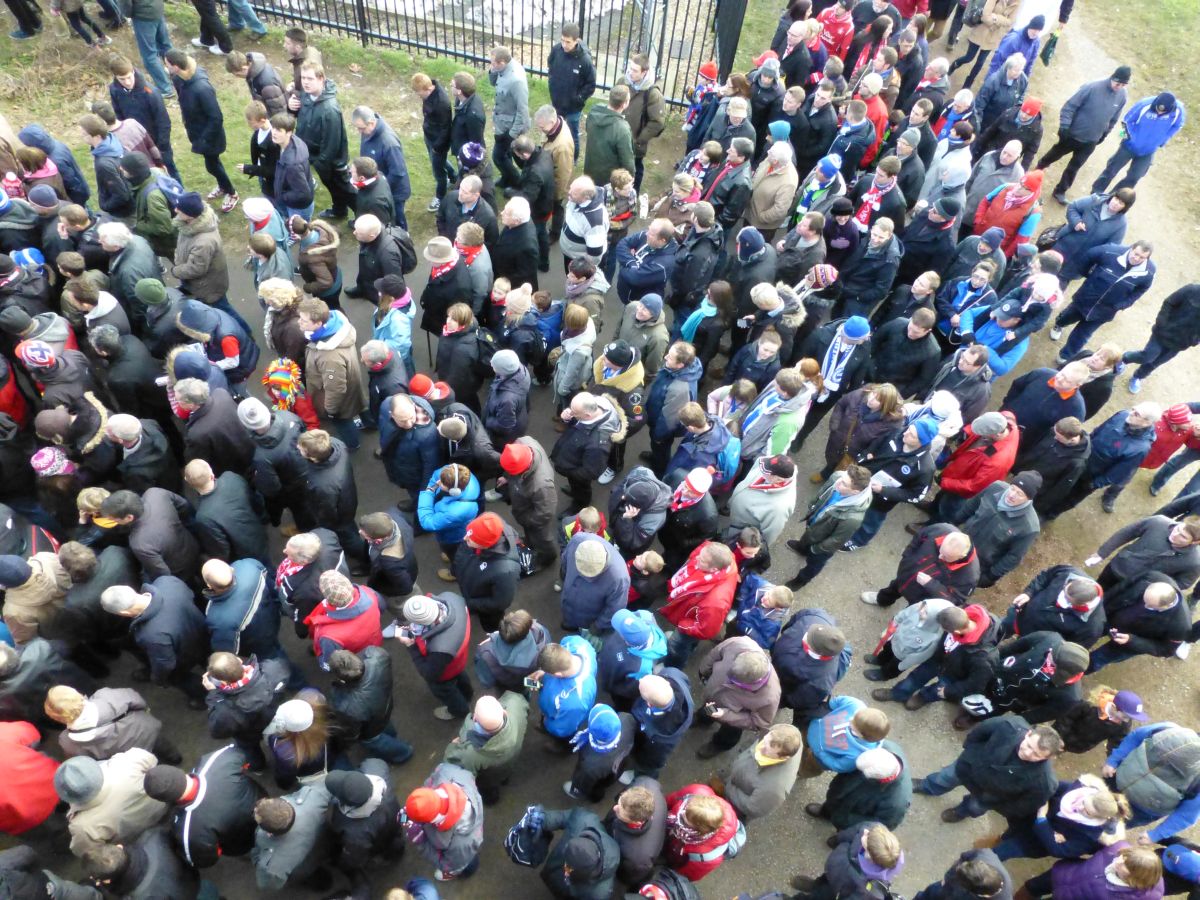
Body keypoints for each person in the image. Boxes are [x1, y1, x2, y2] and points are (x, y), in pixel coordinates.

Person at [916, 717, 1062, 824]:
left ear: (1050, 757)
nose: (1028, 753)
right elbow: (981, 731)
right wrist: (969, 753)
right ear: (1028, 734)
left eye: (1036, 755)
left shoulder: (1044, 783)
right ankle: (927, 786)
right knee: (945, 777)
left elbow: (1022, 807)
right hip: (970, 768)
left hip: (988, 797)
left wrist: (996, 804)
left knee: (973, 808)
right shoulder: (1009, 726)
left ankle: (960, 812)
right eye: (1029, 745)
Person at [1037, 66, 1130, 204]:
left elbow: (1114, 119)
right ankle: (1038, 171)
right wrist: (1064, 127)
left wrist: (1105, 133)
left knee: (1074, 167)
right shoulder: (1091, 87)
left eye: (1123, 84)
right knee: (1054, 155)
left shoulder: (1122, 95)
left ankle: (1060, 191)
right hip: (1071, 135)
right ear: (1113, 78)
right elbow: (1070, 106)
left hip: (1091, 141)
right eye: (1118, 83)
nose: (1119, 87)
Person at [1050, 241, 1156, 361]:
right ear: (1131, 248)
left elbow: (1142, 288)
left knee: (1082, 335)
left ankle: (1065, 357)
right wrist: (1087, 274)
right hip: (1085, 298)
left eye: (1142, 257)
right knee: (1067, 317)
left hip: (1106, 310)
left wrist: (1124, 304)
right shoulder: (1111, 251)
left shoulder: (1149, 272)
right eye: (1136, 253)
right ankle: (1059, 324)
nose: (1137, 258)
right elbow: (1088, 255)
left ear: (1147, 258)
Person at [163, 51, 237, 213]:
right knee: (212, 164)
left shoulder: (201, 88)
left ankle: (231, 192)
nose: (165, 67)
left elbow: (216, 118)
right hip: (196, 131)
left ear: (176, 67)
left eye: (167, 65)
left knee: (212, 165)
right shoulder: (178, 79)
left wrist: (203, 140)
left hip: (210, 136)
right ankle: (223, 185)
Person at [1103, 722, 1200, 844]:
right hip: (1115, 781)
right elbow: (1137, 736)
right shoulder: (1168, 730)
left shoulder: (1169, 730)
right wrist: (1113, 760)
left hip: (1138, 811)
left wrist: (1155, 835)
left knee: (1104, 830)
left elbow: (1186, 815)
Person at [289, 62, 355, 220]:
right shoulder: (305, 95)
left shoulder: (329, 109)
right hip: (314, 155)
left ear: (321, 79)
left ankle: (363, 215)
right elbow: (301, 117)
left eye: (310, 78)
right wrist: (291, 107)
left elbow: (332, 142)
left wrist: (319, 163)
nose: (305, 82)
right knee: (331, 187)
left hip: (330, 161)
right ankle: (339, 210)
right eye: (303, 78)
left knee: (345, 189)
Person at [657, 541, 739, 668]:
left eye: (702, 560)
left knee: (677, 646)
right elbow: (699, 552)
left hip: (691, 625)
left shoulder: (715, 602)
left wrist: (682, 625)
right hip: (697, 615)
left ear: (713, 569)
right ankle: (691, 646)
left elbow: (706, 630)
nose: (697, 559)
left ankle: (671, 667)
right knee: (688, 642)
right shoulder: (721, 556)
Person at [1089, 573, 1191, 672]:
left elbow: (1166, 650)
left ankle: (1079, 670)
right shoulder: (1151, 577)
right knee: (1089, 634)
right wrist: (1101, 606)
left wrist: (1132, 641)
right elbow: (1120, 588)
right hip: (1109, 617)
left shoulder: (1181, 626)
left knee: (1098, 658)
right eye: (1144, 599)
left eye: (1151, 606)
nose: (1144, 605)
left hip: (1127, 644)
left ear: (1165, 606)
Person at [403, 763, 484, 882]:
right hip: (472, 826)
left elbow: (447, 864)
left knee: (467, 863)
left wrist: (421, 841)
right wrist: (415, 807)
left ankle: (460, 873)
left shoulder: (461, 844)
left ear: (430, 821)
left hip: (465, 851)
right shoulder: (447, 771)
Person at [1092, 91, 1185, 194]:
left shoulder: (1178, 110)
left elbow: (1177, 126)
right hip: (1128, 147)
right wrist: (1126, 138)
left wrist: (1162, 140)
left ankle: (1113, 198)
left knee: (1134, 178)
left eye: (1163, 112)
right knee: (1111, 170)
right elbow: (1125, 121)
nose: (1159, 113)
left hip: (1148, 151)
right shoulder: (1144, 104)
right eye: (1158, 109)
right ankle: (1095, 193)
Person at [811, 742, 911, 831]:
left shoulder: (896, 803)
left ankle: (840, 837)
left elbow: (882, 825)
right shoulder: (882, 745)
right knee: (832, 804)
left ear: (880, 779)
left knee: (845, 833)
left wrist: (845, 820)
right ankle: (826, 812)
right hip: (841, 792)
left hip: (852, 817)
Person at [1122, 283, 1200, 394]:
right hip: (1162, 333)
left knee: (1155, 363)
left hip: (1180, 344)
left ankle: (1137, 377)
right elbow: (1169, 302)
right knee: (1147, 356)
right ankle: (1124, 359)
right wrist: (1161, 323)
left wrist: (1195, 340)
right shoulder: (1193, 289)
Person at [1023, 841, 1164, 900]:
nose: (1118, 860)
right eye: (1123, 856)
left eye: (1125, 864)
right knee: (1031, 887)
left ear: (1135, 877)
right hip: (1063, 873)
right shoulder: (1118, 847)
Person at [1001, 361, 1089, 450]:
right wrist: (1007, 405)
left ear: (1077, 385)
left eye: (1067, 380)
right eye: (1062, 374)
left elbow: (1062, 435)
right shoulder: (1041, 374)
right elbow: (1017, 385)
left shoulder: (1076, 410)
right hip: (1003, 420)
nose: (1060, 379)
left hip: (1023, 441)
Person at [583, 85, 635, 187]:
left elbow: (588, 129)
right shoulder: (622, 128)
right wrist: (630, 178)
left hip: (590, 169)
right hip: (609, 177)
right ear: (624, 104)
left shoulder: (594, 112)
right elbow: (627, 159)